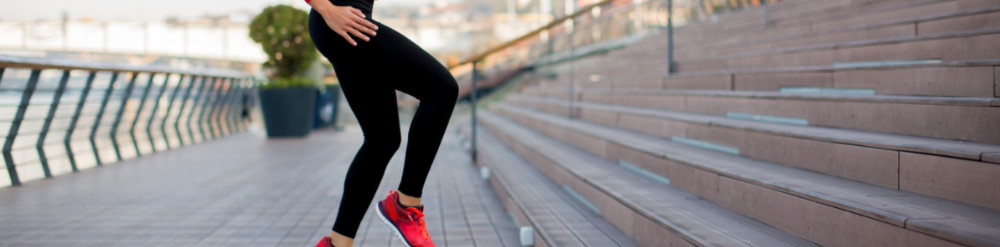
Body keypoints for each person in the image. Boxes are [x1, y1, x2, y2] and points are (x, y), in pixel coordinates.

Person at [304, 0, 459, 246]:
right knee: (442, 89)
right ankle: (406, 205)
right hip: (343, 20)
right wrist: (327, 8)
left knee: (382, 140)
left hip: (348, 26)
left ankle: (338, 243)